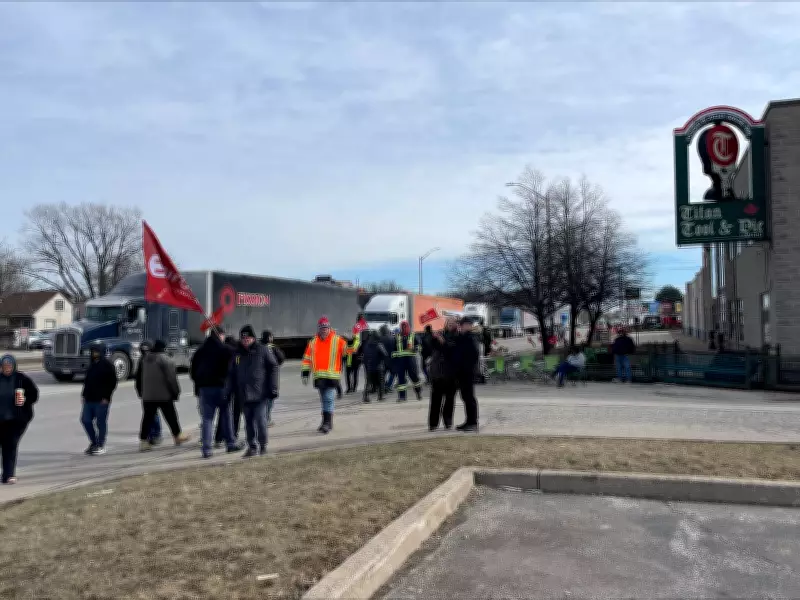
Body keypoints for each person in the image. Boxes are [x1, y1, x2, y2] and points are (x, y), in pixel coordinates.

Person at [191, 327, 242, 459]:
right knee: (226, 415)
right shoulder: (225, 350)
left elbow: (193, 371)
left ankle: (206, 450)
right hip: (221, 387)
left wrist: (199, 384)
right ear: (220, 335)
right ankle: (230, 443)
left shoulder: (200, 351)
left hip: (204, 388)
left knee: (207, 419)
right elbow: (235, 359)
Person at [227, 325, 278, 458]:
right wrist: (229, 390)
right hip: (244, 395)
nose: (245, 340)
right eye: (243, 338)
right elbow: (231, 373)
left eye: (248, 338)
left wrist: (273, 387)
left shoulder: (262, 350)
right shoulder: (237, 353)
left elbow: (273, 367)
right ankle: (252, 446)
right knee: (248, 423)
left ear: (253, 338)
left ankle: (263, 445)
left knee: (261, 421)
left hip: (260, 394)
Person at [139, 340, 190, 450]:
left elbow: (139, 377)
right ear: (164, 348)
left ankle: (143, 442)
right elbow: (171, 378)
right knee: (171, 416)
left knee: (147, 418)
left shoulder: (145, 359)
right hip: (163, 394)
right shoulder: (165, 359)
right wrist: (176, 392)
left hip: (148, 395)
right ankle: (177, 436)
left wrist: (141, 392)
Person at [301, 316, 348, 434]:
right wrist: (305, 373)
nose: (324, 330)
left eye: (326, 328)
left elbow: (348, 350)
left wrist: (354, 341)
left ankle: (326, 423)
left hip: (332, 377)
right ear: (319, 329)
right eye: (322, 328)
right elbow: (307, 359)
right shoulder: (313, 342)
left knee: (328, 399)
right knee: (324, 400)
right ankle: (327, 422)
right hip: (319, 377)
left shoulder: (337, 340)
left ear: (329, 328)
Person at [0, 354, 38, 484]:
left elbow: (34, 394)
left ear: (14, 366)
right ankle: (6, 474)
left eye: (9, 365)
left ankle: (9, 475)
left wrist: (26, 399)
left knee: (10, 446)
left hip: (16, 420)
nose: (7, 368)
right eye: (4, 366)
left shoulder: (21, 379)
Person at [80, 342, 117, 455]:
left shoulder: (107, 365)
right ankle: (94, 442)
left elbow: (112, 383)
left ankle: (100, 445)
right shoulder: (92, 365)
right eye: (92, 351)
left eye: (96, 351)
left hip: (101, 400)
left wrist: (106, 397)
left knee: (100, 423)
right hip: (89, 399)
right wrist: (84, 395)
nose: (93, 353)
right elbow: (87, 382)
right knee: (85, 420)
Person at [428, 318, 459, 430]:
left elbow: (451, 351)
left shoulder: (457, 337)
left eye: (452, 323)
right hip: (437, 373)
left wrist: (443, 341)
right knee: (436, 399)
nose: (450, 325)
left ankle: (448, 422)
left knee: (449, 400)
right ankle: (433, 424)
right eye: (448, 323)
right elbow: (431, 347)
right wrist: (433, 337)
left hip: (451, 374)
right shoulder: (441, 334)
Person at [455, 317, 480, 431]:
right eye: (462, 324)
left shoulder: (471, 338)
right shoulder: (463, 337)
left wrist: (467, 367)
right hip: (462, 372)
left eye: (465, 324)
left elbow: (474, 355)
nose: (463, 326)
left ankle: (473, 422)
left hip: (468, 372)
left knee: (469, 397)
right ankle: (468, 421)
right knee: (465, 397)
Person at [134, 340, 162, 445]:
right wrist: (139, 390)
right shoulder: (142, 361)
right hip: (145, 392)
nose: (145, 352)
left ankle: (156, 434)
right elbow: (138, 378)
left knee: (153, 414)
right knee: (148, 414)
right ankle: (150, 434)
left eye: (147, 350)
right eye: (143, 350)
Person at [392, 321, 422, 402]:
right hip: (400, 361)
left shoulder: (413, 335)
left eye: (405, 326)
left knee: (414, 377)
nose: (404, 328)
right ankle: (402, 397)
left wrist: (415, 349)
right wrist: (394, 360)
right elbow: (394, 350)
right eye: (402, 326)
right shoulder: (397, 337)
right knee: (401, 379)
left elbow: (419, 346)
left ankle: (418, 392)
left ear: (408, 327)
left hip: (411, 361)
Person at [261, 330, 284, 427]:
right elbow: (281, 358)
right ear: (270, 338)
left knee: (262, 399)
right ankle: (266, 419)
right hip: (271, 378)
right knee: (270, 399)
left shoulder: (258, 347)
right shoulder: (273, 348)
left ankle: (262, 418)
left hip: (260, 377)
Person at [361, 330, 389, 403]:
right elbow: (385, 354)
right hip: (378, 366)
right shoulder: (379, 345)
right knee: (381, 382)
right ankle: (381, 396)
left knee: (368, 382)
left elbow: (365, 356)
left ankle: (365, 397)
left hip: (369, 367)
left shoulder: (366, 345)